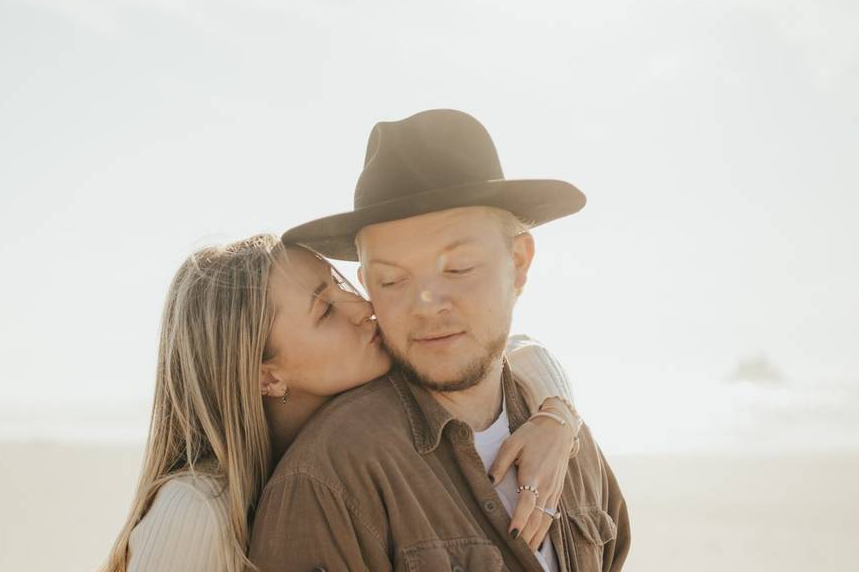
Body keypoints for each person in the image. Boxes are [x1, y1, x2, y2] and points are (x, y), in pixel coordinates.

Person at [250, 109, 630, 571]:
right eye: (392, 280)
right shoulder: (330, 481)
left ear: (519, 261)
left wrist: (561, 417)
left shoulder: (574, 447)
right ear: (367, 284)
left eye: (458, 268)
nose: (427, 304)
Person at [101, 234, 584, 572]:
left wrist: (557, 417)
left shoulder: (363, 410)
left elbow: (513, 348)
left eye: (341, 283)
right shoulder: (196, 512)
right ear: (266, 375)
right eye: (325, 309)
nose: (363, 307)